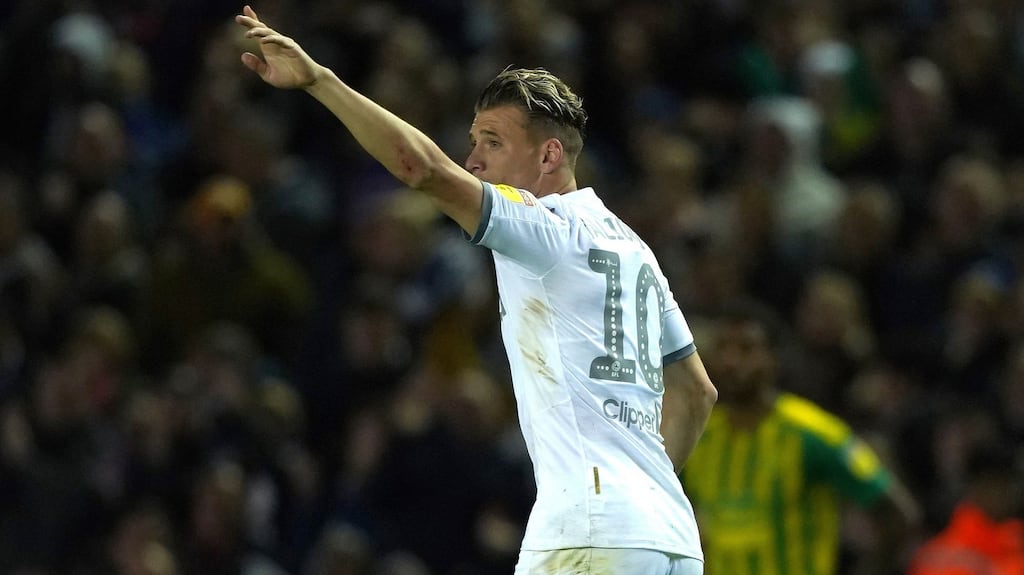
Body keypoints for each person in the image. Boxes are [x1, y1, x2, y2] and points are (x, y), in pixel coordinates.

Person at [234, 5, 719, 575]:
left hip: (590, 534)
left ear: (549, 154)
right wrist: (641, 495)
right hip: (670, 538)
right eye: (473, 141)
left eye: (492, 142)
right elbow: (696, 392)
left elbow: (422, 170)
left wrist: (319, 80)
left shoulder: (545, 227)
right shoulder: (635, 251)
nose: (474, 161)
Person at [677, 301, 920, 575]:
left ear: (774, 358)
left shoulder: (813, 433)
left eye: (746, 349)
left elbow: (896, 514)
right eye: (722, 348)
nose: (731, 361)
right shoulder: (699, 437)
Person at [906, 442, 1024, 575]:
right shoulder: (940, 558)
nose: (1011, 494)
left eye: (1012, 486)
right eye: (1001, 486)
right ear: (980, 487)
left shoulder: (1014, 541)